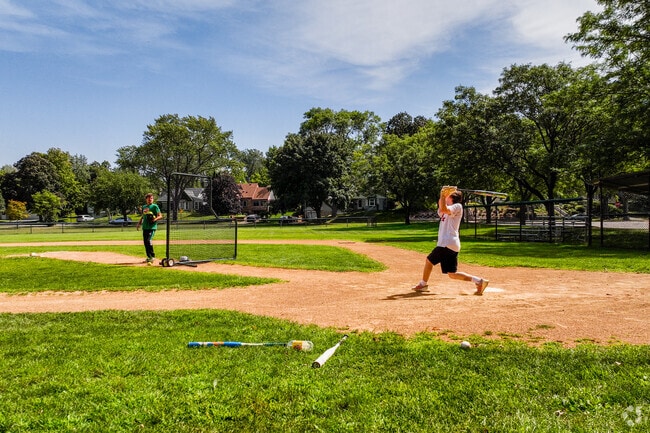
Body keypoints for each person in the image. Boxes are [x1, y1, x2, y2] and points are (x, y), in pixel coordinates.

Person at [412, 186, 489, 295]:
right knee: (452, 274)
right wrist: (442, 193)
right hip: (450, 244)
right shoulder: (446, 208)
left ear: (452, 197)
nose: (445, 198)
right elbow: (441, 206)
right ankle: (479, 281)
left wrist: (444, 193)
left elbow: (444, 209)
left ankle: (423, 284)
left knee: (429, 261)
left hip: (447, 243)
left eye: (448, 196)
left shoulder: (457, 206)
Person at [136, 193, 163, 265]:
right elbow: (143, 216)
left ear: (153, 199)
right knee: (145, 243)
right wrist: (139, 223)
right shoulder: (144, 207)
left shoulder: (155, 206)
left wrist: (155, 219)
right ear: (146, 199)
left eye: (151, 198)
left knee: (148, 241)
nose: (150, 199)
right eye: (148, 198)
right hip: (145, 227)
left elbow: (160, 216)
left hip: (152, 227)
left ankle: (152, 256)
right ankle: (149, 257)